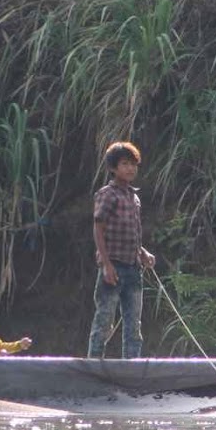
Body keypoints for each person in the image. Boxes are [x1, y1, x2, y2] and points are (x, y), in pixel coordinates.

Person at [87, 140, 156, 358]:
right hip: (113, 266)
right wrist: (106, 264)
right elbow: (98, 229)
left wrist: (143, 253)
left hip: (133, 268)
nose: (130, 168)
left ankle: (131, 367)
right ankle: (93, 363)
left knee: (133, 324)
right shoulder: (107, 194)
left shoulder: (134, 197)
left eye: (133, 164)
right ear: (113, 168)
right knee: (104, 320)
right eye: (125, 164)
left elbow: (133, 234)